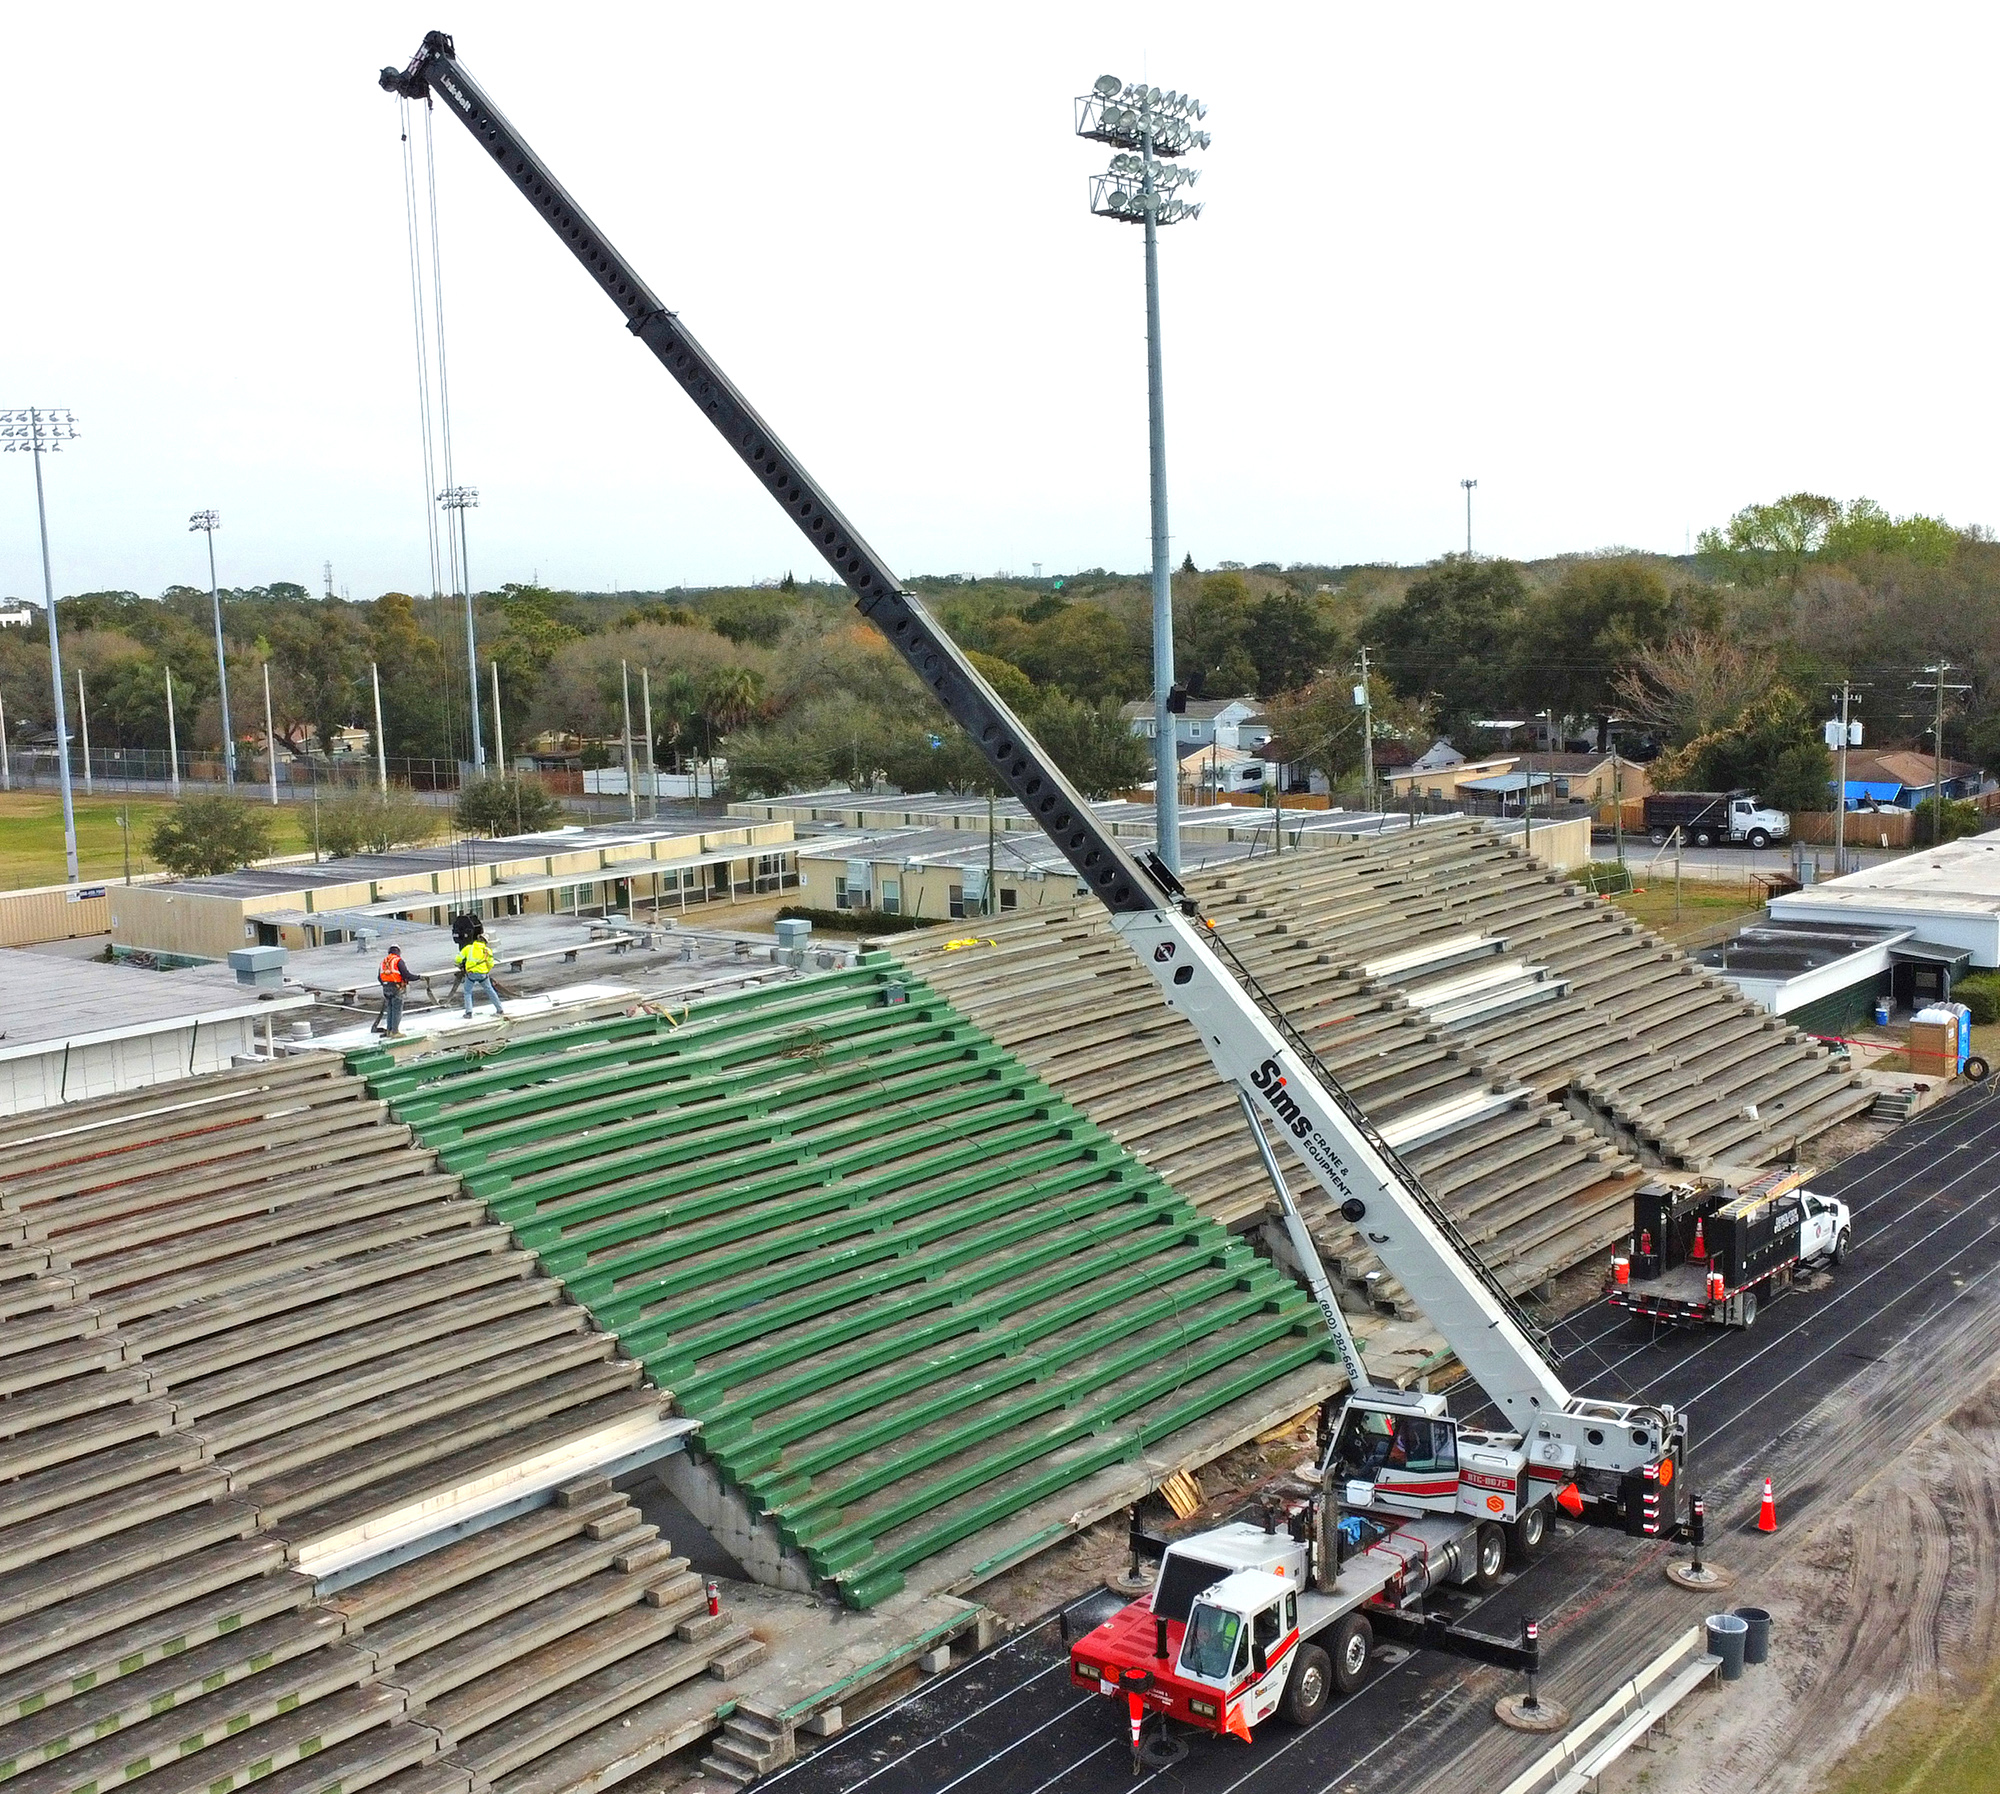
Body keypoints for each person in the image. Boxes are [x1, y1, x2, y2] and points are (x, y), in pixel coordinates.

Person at [457, 930, 504, 1020]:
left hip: (471, 973)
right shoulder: (487, 950)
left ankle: (469, 1012)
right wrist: (486, 971)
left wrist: (461, 965)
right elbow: (491, 964)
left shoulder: (469, 948)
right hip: (483, 974)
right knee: (490, 990)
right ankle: (499, 1009)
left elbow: (458, 959)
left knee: (467, 992)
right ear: (486, 942)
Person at [373, 943, 411, 1037]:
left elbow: (379, 977)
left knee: (390, 1009)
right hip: (396, 987)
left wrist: (385, 984)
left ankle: (389, 1030)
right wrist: (418, 977)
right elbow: (406, 974)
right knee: (397, 1010)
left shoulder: (384, 962)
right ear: (398, 951)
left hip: (386, 988)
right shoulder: (398, 960)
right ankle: (395, 1032)